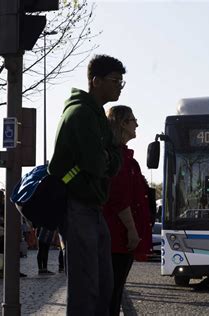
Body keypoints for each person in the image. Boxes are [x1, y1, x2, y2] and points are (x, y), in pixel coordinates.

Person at [48, 54, 126, 315]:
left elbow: (114, 161)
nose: (119, 86)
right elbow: (97, 163)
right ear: (96, 81)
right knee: (86, 287)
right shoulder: (81, 113)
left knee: (104, 285)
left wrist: (109, 155)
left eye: (121, 81)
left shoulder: (98, 117)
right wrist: (108, 155)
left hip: (93, 207)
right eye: (115, 80)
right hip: (77, 206)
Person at [104, 106, 152, 316]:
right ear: (122, 123)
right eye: (133, 120)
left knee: (114, 293)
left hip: (119, 238)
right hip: (118, 238)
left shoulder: (124, 156)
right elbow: (119, 198)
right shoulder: (119, 157)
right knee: (112, 296)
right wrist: (132, 231)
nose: (137, 124)